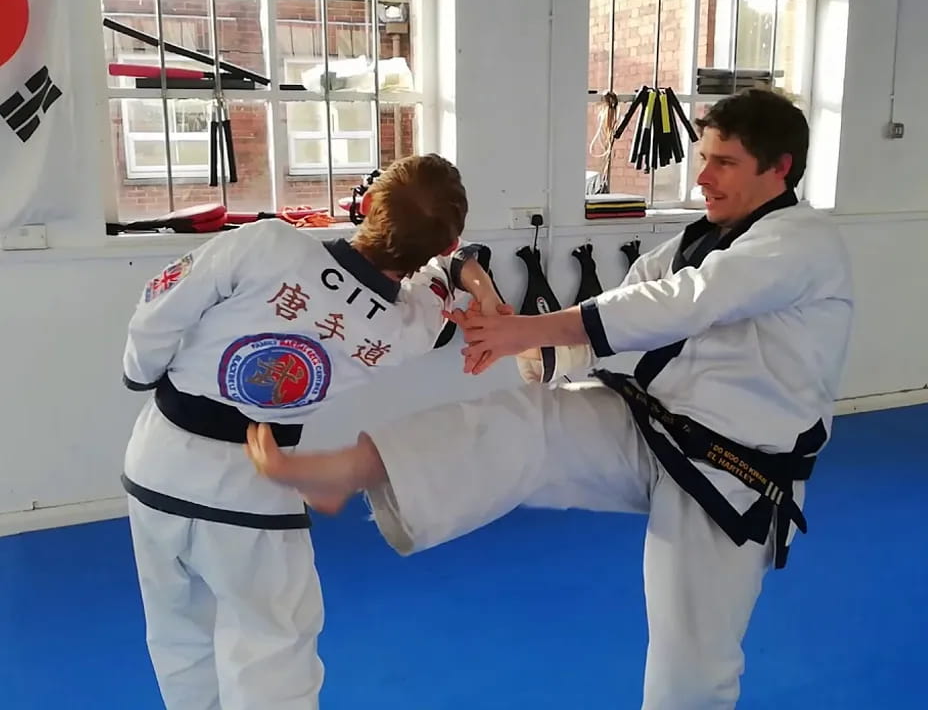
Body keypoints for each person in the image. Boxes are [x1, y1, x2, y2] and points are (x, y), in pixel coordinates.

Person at [244, 88, 855, 708]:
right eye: (704, 157)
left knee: (692, 651)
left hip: (734, 473)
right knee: (519, 423)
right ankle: (347, 470)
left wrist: (528, 329)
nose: (702, 176)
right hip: (656, 429)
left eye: (723, 162)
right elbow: (632, 305)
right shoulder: (698, 239)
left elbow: (684, 304)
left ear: (778, 168)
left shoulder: (800, 240)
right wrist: (530, 349)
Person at [120, 153, 502, 710]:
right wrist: (474, 275)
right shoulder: (404, 330)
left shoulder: (266, 244)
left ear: (368, 205)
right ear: (440, 245)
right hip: (251, 493)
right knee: (274, 645)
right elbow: (443, 279)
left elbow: (161, 306)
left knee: (178, 631)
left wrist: (139, 372)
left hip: (157, 466)